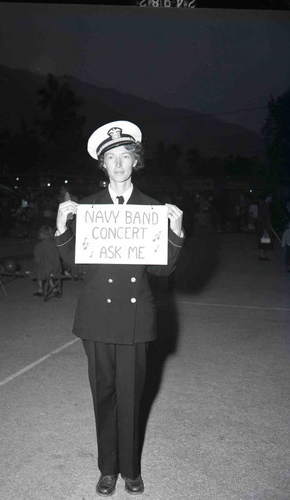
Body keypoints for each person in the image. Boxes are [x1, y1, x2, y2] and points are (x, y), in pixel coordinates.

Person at [55, 121, 184, 496]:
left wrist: (175, 234)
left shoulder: (152, 209)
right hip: (96, 318)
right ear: (103, 164)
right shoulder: (89, 208)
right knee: (104, 394)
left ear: (135, 161)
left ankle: (131, 470)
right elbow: (76, 263)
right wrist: (63, 228)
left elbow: (161, 270)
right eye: (111, 158)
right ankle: (107, 469)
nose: (119, 164)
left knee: (131, 396)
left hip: (134, 320)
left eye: (125, 156)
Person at [33, 225, 63, 298]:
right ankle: (54, 289)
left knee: (39, 269)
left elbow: (37, 259)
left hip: (47, 269)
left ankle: (40, 289)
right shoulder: (55, 243)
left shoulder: (39, 246)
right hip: (57, 268)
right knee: (46, 270)